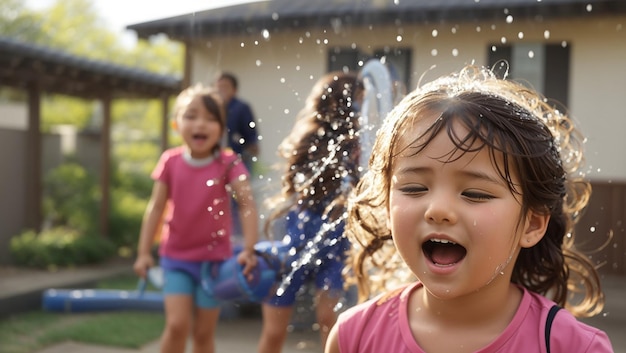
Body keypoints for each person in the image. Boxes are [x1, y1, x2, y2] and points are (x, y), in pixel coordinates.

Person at [326, 65, 613, 353]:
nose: (438, 209)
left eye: (475, 193)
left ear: (533, 223)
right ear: (387, 205)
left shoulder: (571, 346)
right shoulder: (354, 338)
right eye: (414, 189)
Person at [133, 84, 259, 353]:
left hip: (214, 262)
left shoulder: (228, 163)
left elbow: (247, 203)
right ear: (176, 124)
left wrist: (250, 248)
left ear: (221, 127)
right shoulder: (171, 161)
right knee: (177, 325)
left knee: (203, 333)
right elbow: (155, 208)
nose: (200, 124)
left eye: (211, 118)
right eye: (191, 116)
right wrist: (144, 252)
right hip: (176, 258)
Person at [258, 72, 363, 353]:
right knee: (274, 328)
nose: (362, 109)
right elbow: (296, 184)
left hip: (336, 239)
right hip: (299, 235)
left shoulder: (355, 142)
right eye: (359, 101)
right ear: (344, 102)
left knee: (331, 320)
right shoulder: (311, 136)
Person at [217, 71, 260, 241]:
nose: (221, 90)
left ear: (234, 90)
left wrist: (245, 156)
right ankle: (223, 233)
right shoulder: (213, 107)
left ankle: (239, 237)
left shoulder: (241, 108)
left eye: (225, 87)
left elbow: (251, 136)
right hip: (217, 161)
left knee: (239, 200)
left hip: (237, 161)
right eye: (218, 87)